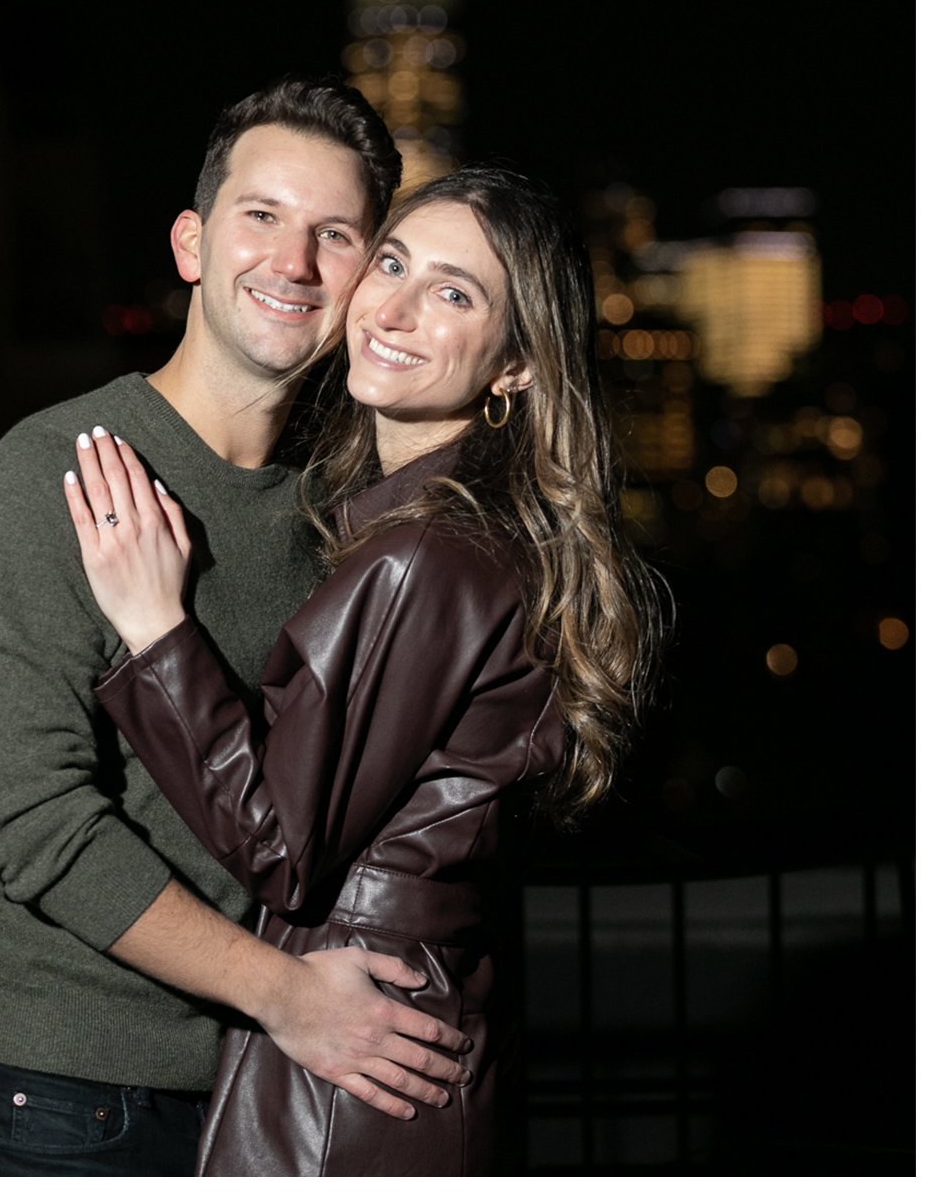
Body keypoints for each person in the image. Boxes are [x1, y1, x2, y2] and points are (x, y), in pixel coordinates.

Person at [0, 78, 477, 1177]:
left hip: (265, 1099)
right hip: (56, 1094)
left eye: (334, 235)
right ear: (190, 244)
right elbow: (18, 819)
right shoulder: (56, 473)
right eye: (258, 217)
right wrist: (287, 999)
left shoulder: (337, 515)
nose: (292, 263)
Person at [63, 164, 668, 1174]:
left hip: (353, 1061)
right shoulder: (462, 536)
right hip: (404, 1029)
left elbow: (280, 846)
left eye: (452, 293)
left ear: (514, 367)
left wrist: (153, 626)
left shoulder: (420, 557)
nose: (389, 307)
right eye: (390, 263)